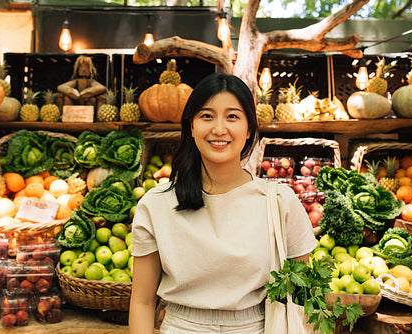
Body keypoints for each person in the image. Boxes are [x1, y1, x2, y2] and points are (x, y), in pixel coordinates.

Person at [129, 73, 317, 334]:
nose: (219, 129)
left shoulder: (279, 202)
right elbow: (142, 301)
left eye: (232, 116)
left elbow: (301, 297)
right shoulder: (156, 205)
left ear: (249, 128)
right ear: (191, 126)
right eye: (207, 116)